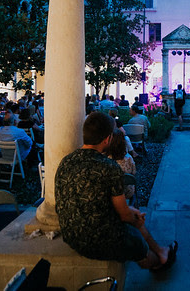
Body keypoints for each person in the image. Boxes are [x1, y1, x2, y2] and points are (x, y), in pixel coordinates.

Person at [55, 112, 177, 269]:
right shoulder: (109, 168)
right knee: (136, 238)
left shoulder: (66, 161)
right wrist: (136, 220)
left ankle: (160, 251)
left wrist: (129, 210)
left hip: (71, 236)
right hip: (99, 241)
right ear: (107, 139)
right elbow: (125, 215)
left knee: (132, 217)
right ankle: (158, 260)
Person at [107, 128, 137, 200]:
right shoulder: (128, 158)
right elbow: (133, 172)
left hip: (110, 194)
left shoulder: (106, 159)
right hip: (127, 192)